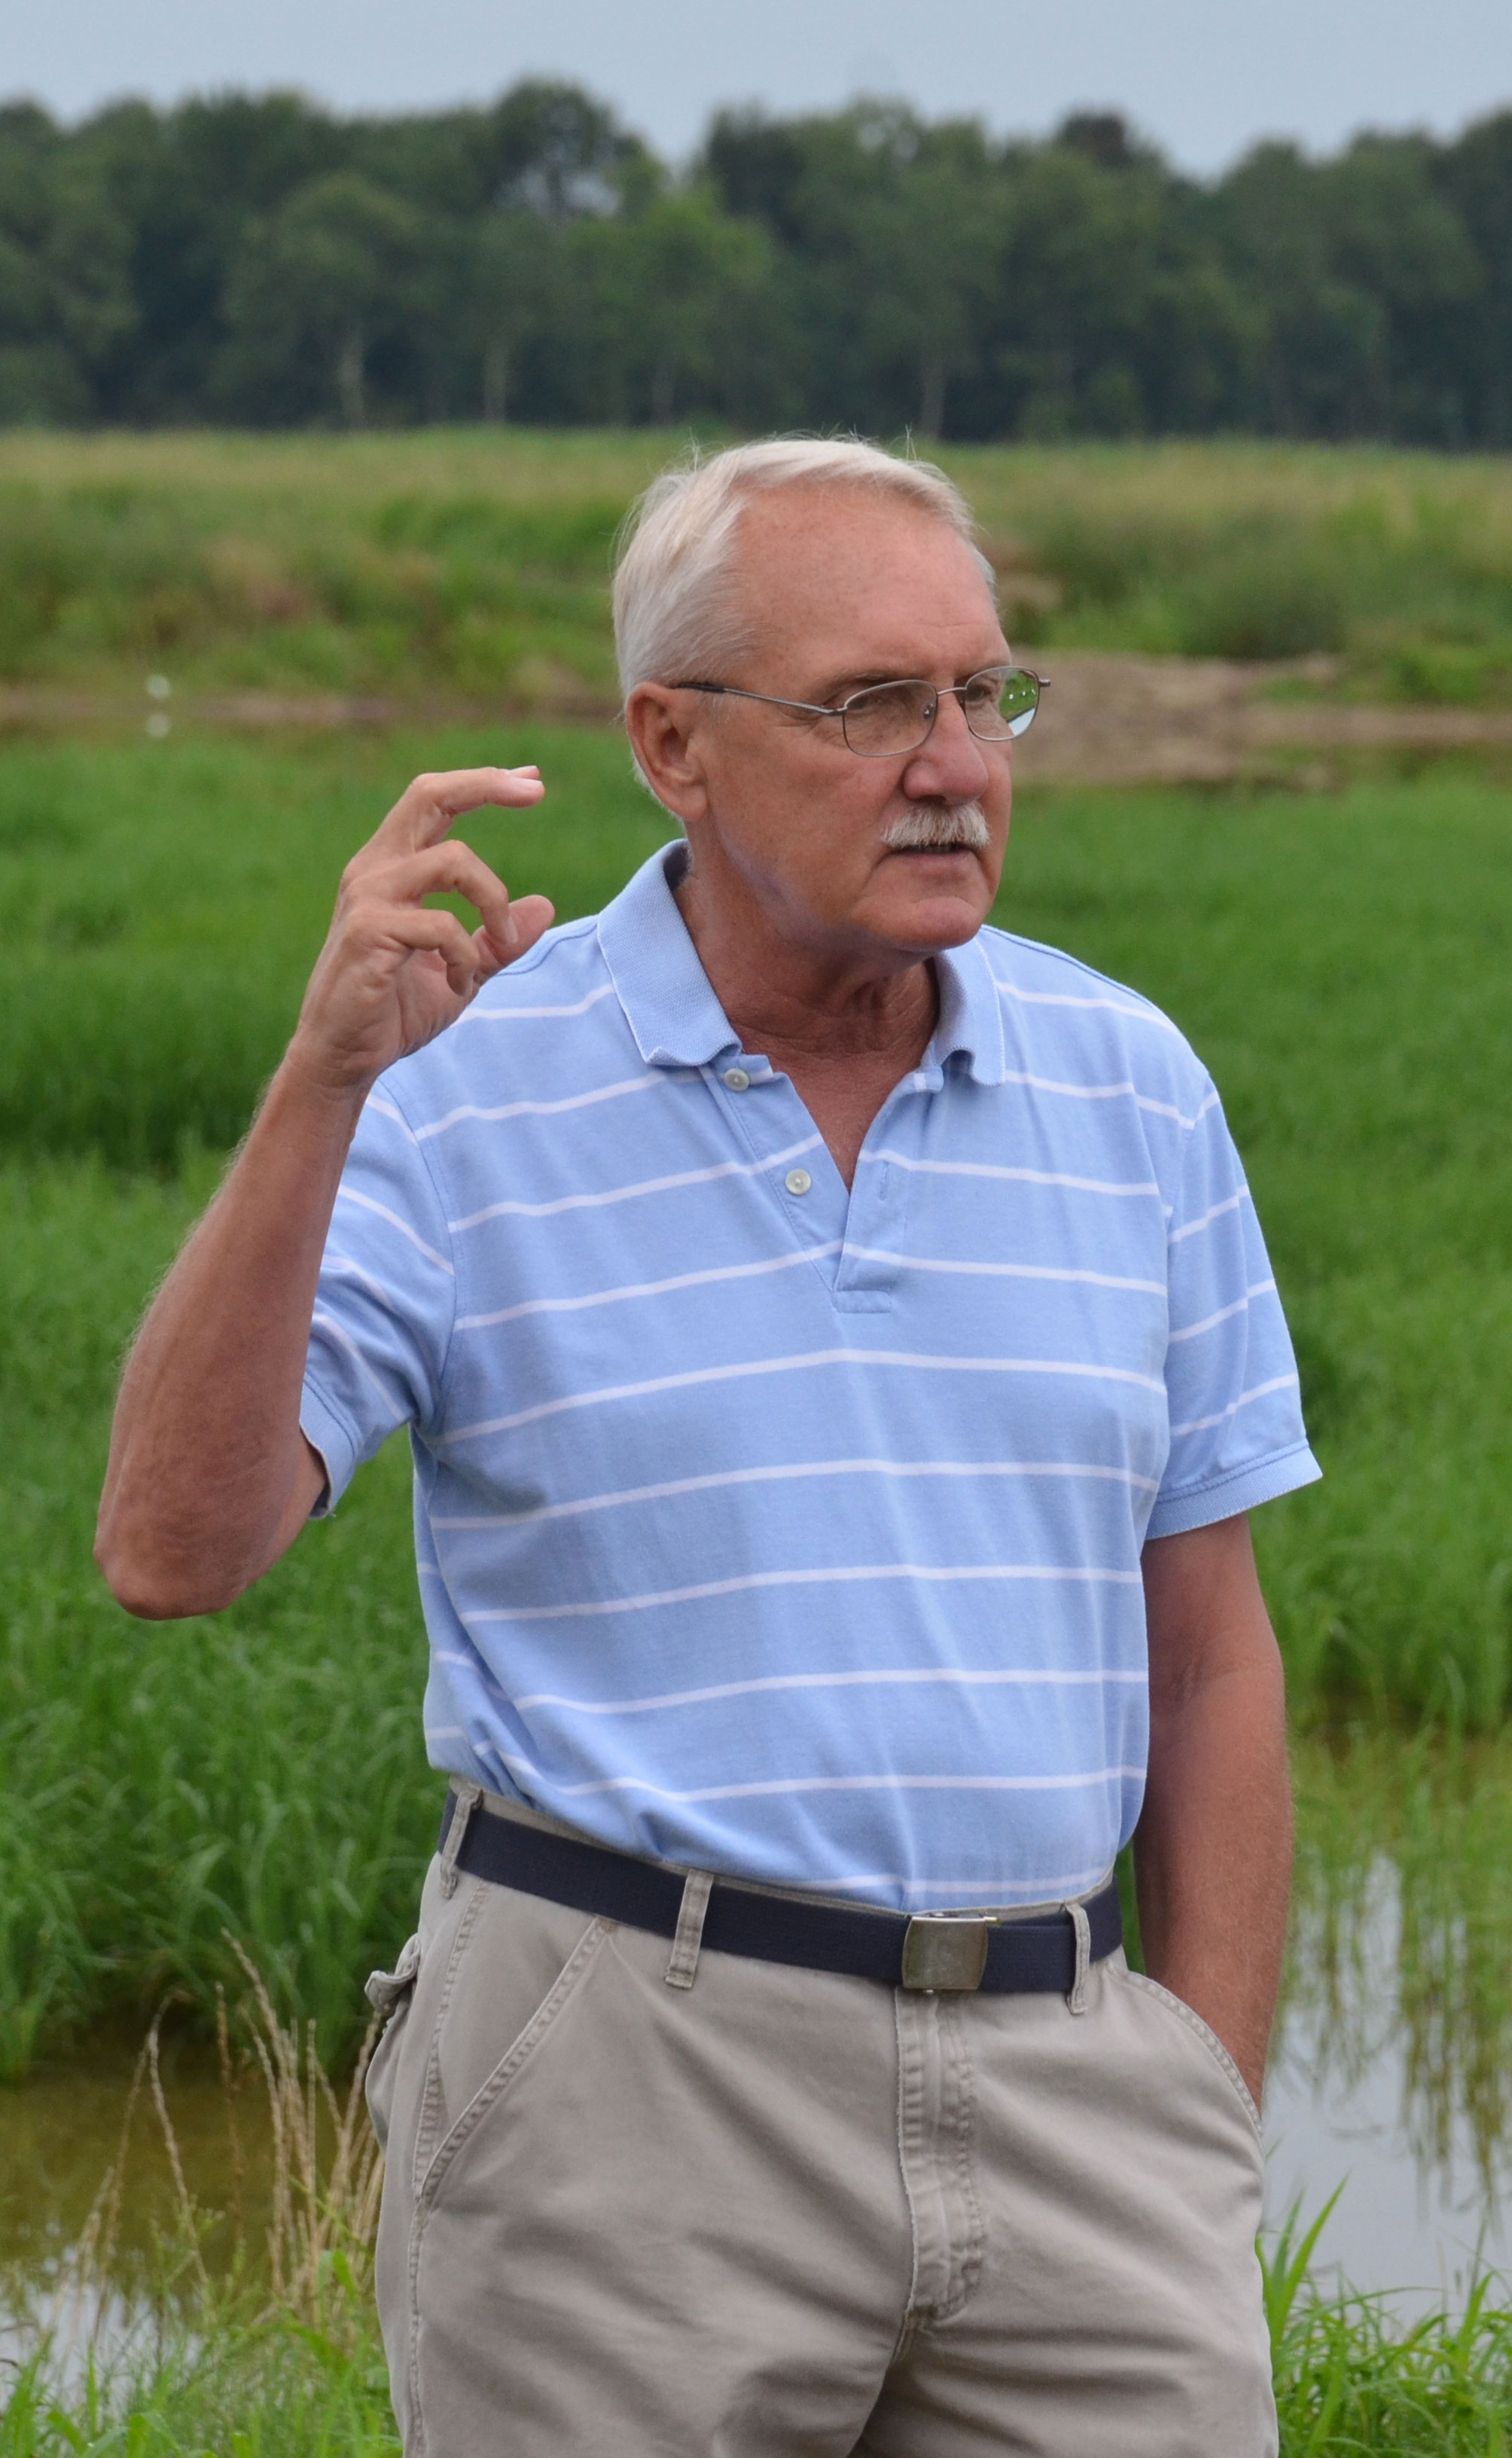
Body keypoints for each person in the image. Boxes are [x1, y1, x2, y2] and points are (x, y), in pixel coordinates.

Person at [98, 438, 1318, 2456]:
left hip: (1083, 2108)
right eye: (869, 706)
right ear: (673, 743)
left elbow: (1213, 1652)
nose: (954, 763)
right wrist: (323, 1087)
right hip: (623, 2105)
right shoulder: (466, 1083)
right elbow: (173, 1546)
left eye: (980, 694)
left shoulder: (1135, 1089)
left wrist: (1199, 2096)